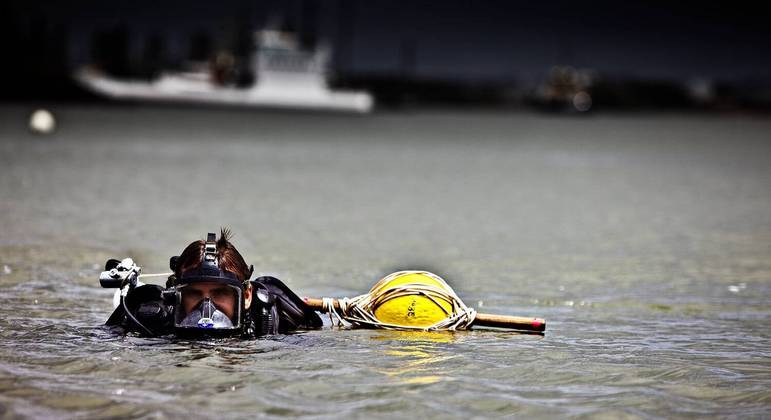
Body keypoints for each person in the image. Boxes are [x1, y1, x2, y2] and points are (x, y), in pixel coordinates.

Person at [103, 229, 321, 338]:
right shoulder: (153, 318)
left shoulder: (268, 313)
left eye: (221, 293)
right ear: (175, 295)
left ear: (245, 296)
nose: (207, 307)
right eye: (193, 294)